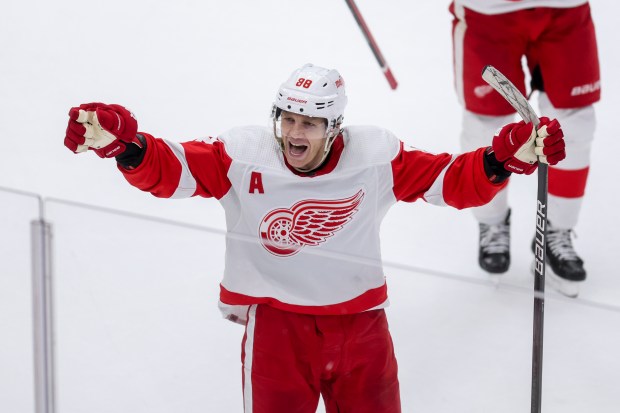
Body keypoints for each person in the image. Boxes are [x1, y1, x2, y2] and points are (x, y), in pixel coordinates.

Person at [64, 63, 565, 413]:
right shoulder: (243, 153)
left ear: (334, 126)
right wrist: (125, 146)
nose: (294, 134)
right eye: (288, 120)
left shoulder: (374, 157)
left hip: (362, 330)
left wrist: (503, 159)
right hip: (278, 329)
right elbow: (171, 168)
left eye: (310, 122)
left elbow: (447, 181)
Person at [449, 0, 600, 297]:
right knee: (484, 122)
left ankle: (557, 230)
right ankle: (491, 222)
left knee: (576, 123)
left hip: (564, 8)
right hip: (488, 10)